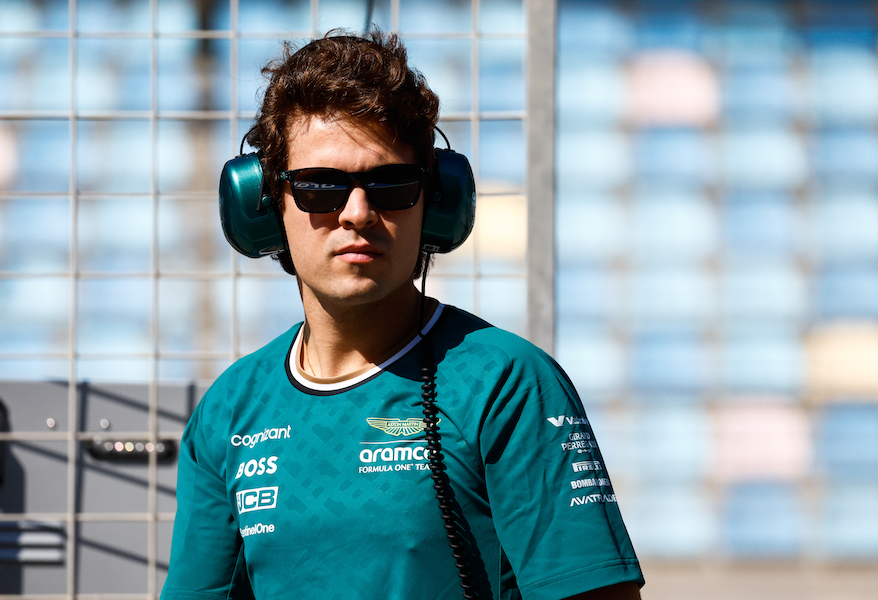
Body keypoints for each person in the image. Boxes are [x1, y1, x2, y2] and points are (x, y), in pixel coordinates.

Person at [162, 30, 644, 600]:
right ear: (265, 205)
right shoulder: (229, 409)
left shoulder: (507, 383)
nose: (358, 213)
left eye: (390, 184)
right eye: (321, 186)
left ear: (433, 203)